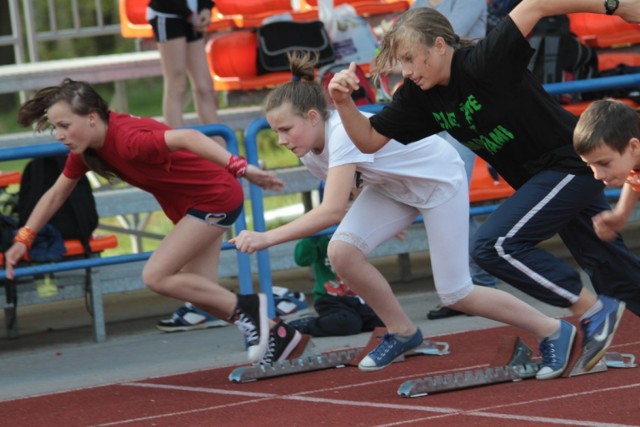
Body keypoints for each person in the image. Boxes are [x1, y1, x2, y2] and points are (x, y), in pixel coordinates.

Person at [327, 0, 639, 373]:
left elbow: (536, 4)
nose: (407, 72)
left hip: (568, 166)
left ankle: (592, 311)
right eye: (401, 64)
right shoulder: (418, 96)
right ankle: (601, 307)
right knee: (615, 271)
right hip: (540, 182)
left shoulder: (484, 61)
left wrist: (617, 6)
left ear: (440, 44)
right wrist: (342, 102)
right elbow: (370, 140)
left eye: (412, 59)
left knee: (495, 245)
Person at [232, 51, 580, 379]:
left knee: (456, 293)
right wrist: (375, 222)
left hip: (438, 183)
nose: (280, 140)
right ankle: (402, 331)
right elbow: (351, 189)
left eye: (285, 129)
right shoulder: (309, 149)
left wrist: (266, 237)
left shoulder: (340, 134)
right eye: (276, 131)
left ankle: (553, 329)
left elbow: (331, 210)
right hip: (392, 189)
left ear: (312, 117)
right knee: (342, 252)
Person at [3, 78, 300, 366]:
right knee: (204, 295)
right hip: (195, 207)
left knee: (156, 276)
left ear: (91, 117)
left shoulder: (128, 140)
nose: (58, 134)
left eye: (64, 125)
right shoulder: (90, 150)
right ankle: (281, 333)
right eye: (55, 127)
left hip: (214, 199)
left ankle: (251, 307)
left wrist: (242, 168)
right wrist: (23, 239)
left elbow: (188, 137)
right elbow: (55, 195)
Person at [411, 0, 499, 320]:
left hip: (468, 101)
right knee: (446, 195)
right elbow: (409, 42)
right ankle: (468, 285)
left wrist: (410, 47)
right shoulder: (421, 1)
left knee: (448, 192)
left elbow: (446, 39)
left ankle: (477, 281)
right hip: (432, 103)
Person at [573, 99, 640, 297]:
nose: (597, 175)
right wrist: (621, 213)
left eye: (603, 163)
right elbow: (634, 177)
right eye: (590, 166)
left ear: (633, 147)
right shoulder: (630, 154)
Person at [288, 235, 384, 337]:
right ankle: (308, 324)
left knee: (383, 318)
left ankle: (354, 322)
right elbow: (302, 260)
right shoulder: (321, 239)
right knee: (348, 322)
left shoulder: (352, 235)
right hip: (329, 299)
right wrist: (314, 235)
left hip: (356, 298)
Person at [147, 0, 220, 129]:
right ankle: (176, 144)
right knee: (177, 83)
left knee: (205, 86)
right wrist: (190, 15)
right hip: (168, 13)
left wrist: (205, 7)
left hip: (193, 15)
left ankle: (219, 146)